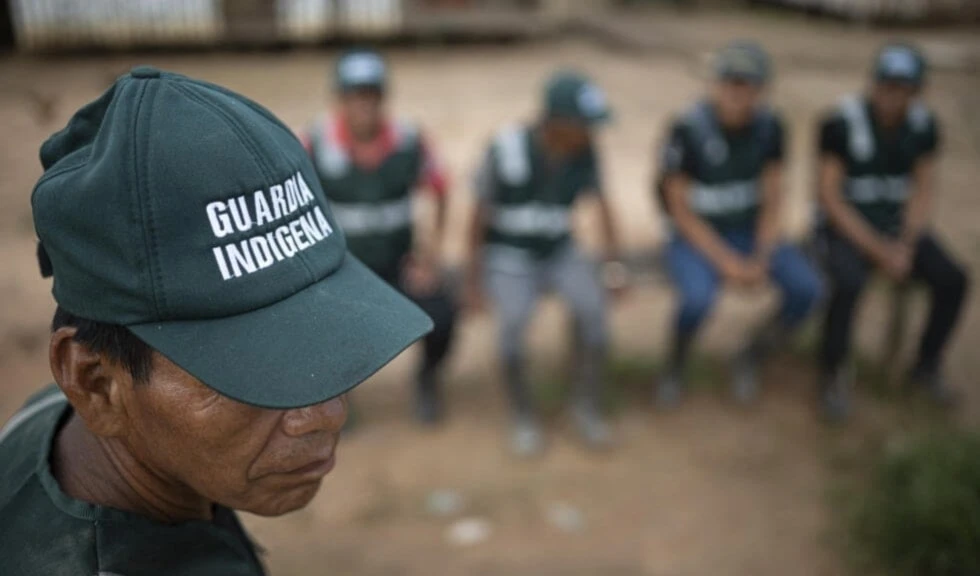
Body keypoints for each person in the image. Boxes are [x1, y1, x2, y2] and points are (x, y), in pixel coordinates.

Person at [0, 66, 432, 575]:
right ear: (95, 383)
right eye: (250, 368)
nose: (326, 412)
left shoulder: (48, 420)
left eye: (318, 341)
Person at [465, 70, 626, 456]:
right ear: (557, 122)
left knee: (594, 313)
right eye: (585, 124)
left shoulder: (585, 151)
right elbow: (478, 216)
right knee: (512, 329)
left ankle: (585, 407)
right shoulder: (505, 148)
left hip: (558, 250)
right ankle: (523, 415)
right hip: (508, 256)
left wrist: (613, 266)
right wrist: (473, 279)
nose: (591, 133)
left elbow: (603, 207)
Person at [655, 41, 823, 409]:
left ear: (762, 90)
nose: (737, 93)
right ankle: (675, 364)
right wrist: (725, 261)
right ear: (714, 84)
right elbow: (680, 210)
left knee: (808, 290)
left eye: (747, 84)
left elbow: (773, 197)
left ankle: (752, 353)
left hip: (748, 231)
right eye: (730, 82)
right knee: (697, 299)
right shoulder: (687, 129)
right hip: (696, 236)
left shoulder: (770, 128)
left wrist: (762, 254)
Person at [301, 49, 457, 425]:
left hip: (399, 262)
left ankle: (427, 379)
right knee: (313, 325)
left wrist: (430, 258)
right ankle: (340, 394)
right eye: (356, 95)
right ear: (340, 99)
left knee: (443, 314)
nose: (365, 104)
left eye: (372, 95)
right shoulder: (314, 143)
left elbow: (440, 189)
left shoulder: (408, 140)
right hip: (342, 270)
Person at [816, 42, 970, 421]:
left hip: (895, 230)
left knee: (954, 279)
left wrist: (905, 242)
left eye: (902, 87)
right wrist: (877, 249)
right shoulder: (841, 124)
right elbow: (830, 199)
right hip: (848, 228)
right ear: (873, 83)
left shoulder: (923, 127)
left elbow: (923, 188)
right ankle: (833, 371)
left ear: (916, 91)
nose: (891, 95)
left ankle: (926, 366)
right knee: (848, 282)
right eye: (886, 84)